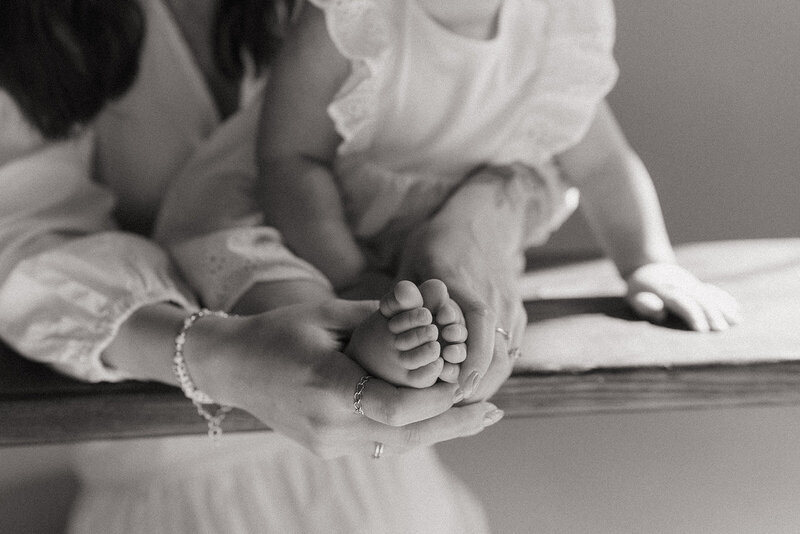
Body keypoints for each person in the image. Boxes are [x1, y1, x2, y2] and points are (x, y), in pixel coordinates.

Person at [0, 0, 509, 531]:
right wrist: (213, 353)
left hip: (385, 490)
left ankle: (376, 334)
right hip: (174, 493)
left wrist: (462, 235)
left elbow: (518, 138)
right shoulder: (39, 28)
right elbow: (19, 233)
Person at [248, 0, 742, 374]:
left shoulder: (552, 25)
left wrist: (648, 261)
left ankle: (451, 278)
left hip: (475, 215)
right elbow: (290, 161)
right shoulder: (353, 20)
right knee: (267, 279)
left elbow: (604, 165)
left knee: (500, 210)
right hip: (330, 221)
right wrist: (350, 275)